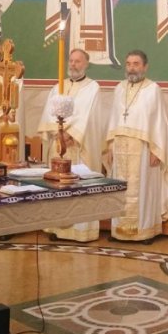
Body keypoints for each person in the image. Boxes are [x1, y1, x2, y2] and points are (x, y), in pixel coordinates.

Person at [104, 50, 168, 243]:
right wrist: (110, 145)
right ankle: (119, 230)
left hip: (143, 149)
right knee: (120, 188)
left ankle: (145, 231)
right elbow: (113, 119)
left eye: (136, 64)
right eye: (128, 64)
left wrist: (157, 150)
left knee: (144, 190)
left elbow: (159, 122)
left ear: (145, 66)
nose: (131, 68)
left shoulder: (153, 89)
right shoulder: (119, 88)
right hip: (120, 147)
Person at [39, 49, 106, 242]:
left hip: (78, 146)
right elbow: (49, 112)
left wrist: (70, 134)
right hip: (57, 144)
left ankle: (80, 230)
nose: (73, 64)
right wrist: (58, 132)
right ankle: (56, 228)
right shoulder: (57, 87)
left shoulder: (93, 87)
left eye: (78, 61)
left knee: (77, 184)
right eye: (71, 60)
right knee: (57, 184)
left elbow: (89, 117)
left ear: (86, 64)